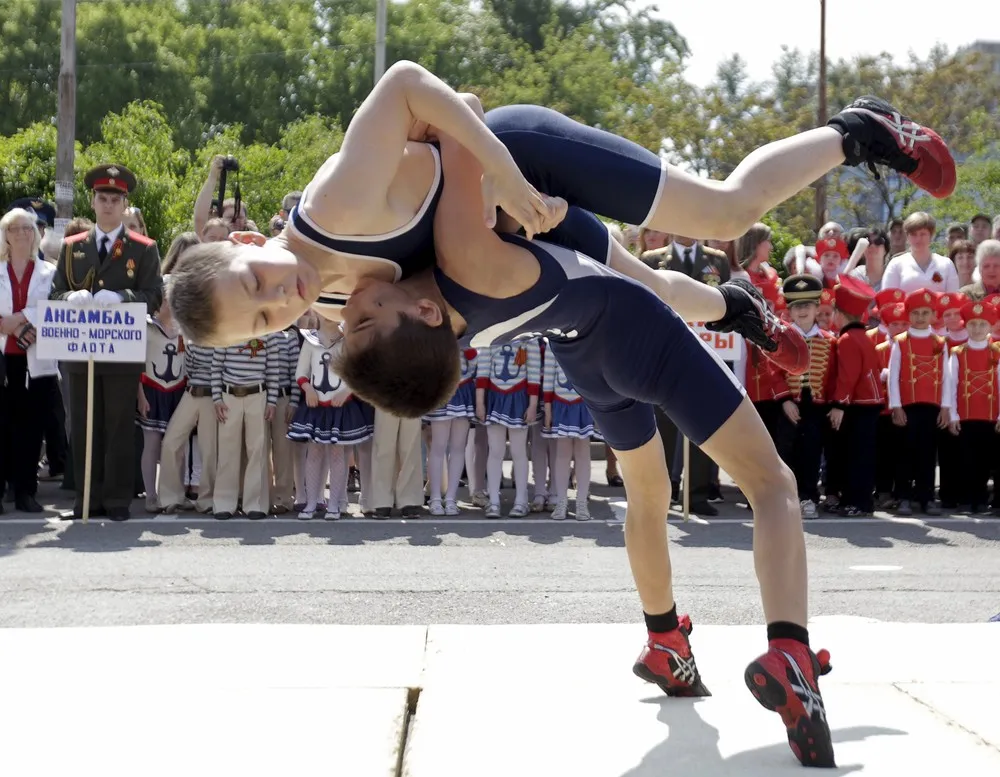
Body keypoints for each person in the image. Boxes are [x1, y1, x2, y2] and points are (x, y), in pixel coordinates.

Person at [336, 135, 838, 768]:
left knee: (648, 490)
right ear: (428, 313)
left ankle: (665, 640)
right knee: (774, 483)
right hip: (623, 319)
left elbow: (649, 279)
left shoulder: (415, 322)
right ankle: (790, 648)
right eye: (360, 320)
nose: (344, 310)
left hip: (585, 354)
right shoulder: (459, 251)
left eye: (347, 325)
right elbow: (460, 113)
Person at [167, 57, 955, 356]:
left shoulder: (336, 201)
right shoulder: (342, 314)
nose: (281, 300)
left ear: (244, 237)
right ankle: (737, 306)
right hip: (508, 222)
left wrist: (501, 174)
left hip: (525, 158)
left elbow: (407, 80)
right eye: (266, 321)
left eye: (257, 283)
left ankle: (859, 130)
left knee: (718, 213)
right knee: (649, 294)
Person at [49, 164, 163, 521]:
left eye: (115, 199)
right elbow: (56, 292)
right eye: (102, 198)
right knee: (83, 427)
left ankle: (116, 500)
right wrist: (70, 299)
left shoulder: (143, 248)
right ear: (93, 201)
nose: (108, 204)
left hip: (121, 350)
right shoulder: (72, 247)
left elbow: (154, 295)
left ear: (124, 204)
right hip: (80, 351)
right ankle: (86, 500)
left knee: (117, 427)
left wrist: (123, 297)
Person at [0, 208, 60, 513]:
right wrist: (3, 323)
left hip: (36, 361)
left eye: (28, 229)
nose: (22, 234)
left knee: (31, 428)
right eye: (15, 229)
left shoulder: (49, 272)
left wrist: (22, 317)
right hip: (4, 359)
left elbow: (56, 308)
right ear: (6, 236)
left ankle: (25, 491)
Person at [827, 275, 883, 517]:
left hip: (858, 405)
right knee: (862, 454)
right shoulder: (864, 336)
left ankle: (857, 502)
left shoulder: (848, 339)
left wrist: (839, 403)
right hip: (869, 403)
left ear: (839, 314)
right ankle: (860, 501)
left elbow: (848, 376)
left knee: (855, 456)